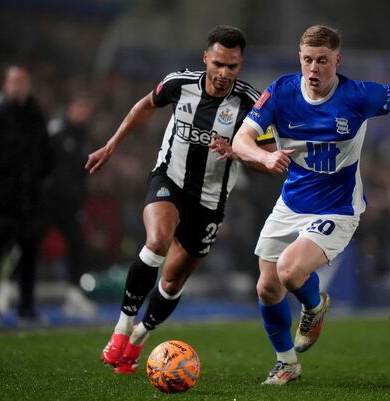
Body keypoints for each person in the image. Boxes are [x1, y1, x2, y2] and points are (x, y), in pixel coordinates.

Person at [225, 25, 390, 385]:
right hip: (291, 203)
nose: (313, 68)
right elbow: (241, 141)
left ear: (337, 60)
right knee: (267, 288)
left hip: (337, 208)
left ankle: (314, 306)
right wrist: (264, 158)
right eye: (307, 60)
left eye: (322, 61)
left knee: (289, 270)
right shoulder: (281, 92)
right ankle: (287, 364)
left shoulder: (358, 96)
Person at [85, 25, 260, 374]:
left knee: (173, 281)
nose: (225, 73)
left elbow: (269, 156)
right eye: (219, 64)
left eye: (233, 66)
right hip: (170, 179)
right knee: (156, 242)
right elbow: (145, 105)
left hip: (210, 201)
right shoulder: (179, 83)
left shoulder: (250, 103)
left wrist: (239, 151)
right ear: (206, 58)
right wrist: (112, 143)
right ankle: (121, 328)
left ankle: (139, 336)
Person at [0, 65, 51, 325]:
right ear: (5, 84)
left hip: (28, 198)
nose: (19, 85)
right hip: (1, 198)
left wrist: (39, 179)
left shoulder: (35, 115)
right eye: (14, 81)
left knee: (28, 256)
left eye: (23, 81)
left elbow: (47, 152)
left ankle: (26, 308)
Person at [41, 94, 97, 318]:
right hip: (48, 200)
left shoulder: (85, 136)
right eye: (80, 108)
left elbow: (85, 170)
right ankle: (8, 288)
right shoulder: (54, 131)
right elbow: (40, 161)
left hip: (71, 203)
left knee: (77, 245)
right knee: (29, 241)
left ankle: (74, 294)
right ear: (70, 108)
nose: (83, 114)